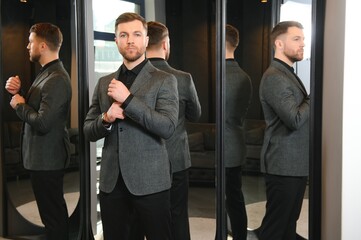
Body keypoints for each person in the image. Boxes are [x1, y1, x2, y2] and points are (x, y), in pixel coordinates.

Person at [83, 12, 179, 240]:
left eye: (136, 34)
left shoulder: (164, 80)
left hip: (151, 183)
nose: (130, 40)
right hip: (111, 184)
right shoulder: (104, 82)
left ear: (146, 40)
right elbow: (88, 130)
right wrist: (105, 118)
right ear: (115, 41)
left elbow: (167, 127)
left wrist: (128, 101)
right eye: (123, 35)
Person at [5, 23, 72, 240]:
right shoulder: (47, 73)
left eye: (31, 42)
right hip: (40, 159)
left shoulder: (57, 79)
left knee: (53, 216)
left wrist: (19, 105)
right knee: (50, 214)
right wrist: (19, 93)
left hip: (47, 159)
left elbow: (43, 122)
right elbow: (39, 107)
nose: (27, 46)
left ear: (42, 46)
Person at [146, 21, 202, 240]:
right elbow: (195, 115)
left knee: (141, 219)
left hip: (141, 162)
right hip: (176, 158)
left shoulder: (134, 78)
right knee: (177, 216)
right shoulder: (183, 78)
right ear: (166, 44)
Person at [257, 21, 310, 240]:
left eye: (303, 39)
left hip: (294, 164)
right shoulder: (274, 77)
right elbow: (295, 119)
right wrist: (313, 96)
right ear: (279, 43)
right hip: (283, 164)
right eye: (296, 39)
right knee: (275, 229)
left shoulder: (287, 73)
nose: (303, 44)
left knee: (288, 226)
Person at [224, 24, 252, 240]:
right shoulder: (244, 76)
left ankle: (236, 235)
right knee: (234, 195)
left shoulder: (223, 75)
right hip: (236, 143)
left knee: (231, 197)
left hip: (227, 147)